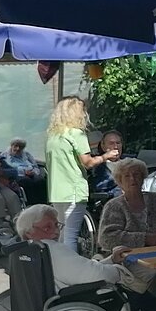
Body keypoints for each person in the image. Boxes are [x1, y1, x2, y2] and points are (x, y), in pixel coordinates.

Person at [15, 204, 156, 303]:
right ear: (29, 232)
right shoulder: (51, 249)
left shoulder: (27, 250)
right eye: (47, 227)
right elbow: (96, 276)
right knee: (154, 306)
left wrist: (111, 260)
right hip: (80, 303)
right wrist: (117, 270)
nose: (55, 231)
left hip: (49, 303)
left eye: (56, 225)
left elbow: (81, 270)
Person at [46, 96, 118, 253]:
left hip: (56, 190)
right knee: (71, 234)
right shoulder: (76, 134)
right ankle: (71, 269)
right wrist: (106, 156)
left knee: (61, 232)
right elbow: (88, 162)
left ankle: (57, 266)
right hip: (74, 189)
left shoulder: (53, 137)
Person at [97, 159, 156, 253]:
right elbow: (106, 238)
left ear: (143, 177)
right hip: (129, 258)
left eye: (136, 174)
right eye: (127, 176)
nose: (132, 179)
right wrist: (144, 239)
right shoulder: (114, 206)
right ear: (120, 181)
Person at [90, 130, 131, 197]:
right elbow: (99, 187)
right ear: (103, 147)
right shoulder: (98, 166)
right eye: (111, 143)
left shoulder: (130, 161)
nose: (115, 147)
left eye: (118, 143)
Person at [4, 138, 46, 204]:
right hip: (17, 175)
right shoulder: (5, 156)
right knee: (27, 182)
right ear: (11, 146)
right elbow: (7, 169)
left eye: (20, 147)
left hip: (31, 173)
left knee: (41, 181)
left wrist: (34, 172)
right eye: (16, 146)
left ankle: (43, 203)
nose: (18, 149)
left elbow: (35, 165)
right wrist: (23, 172)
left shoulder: (26, 154)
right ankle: (32, 204)